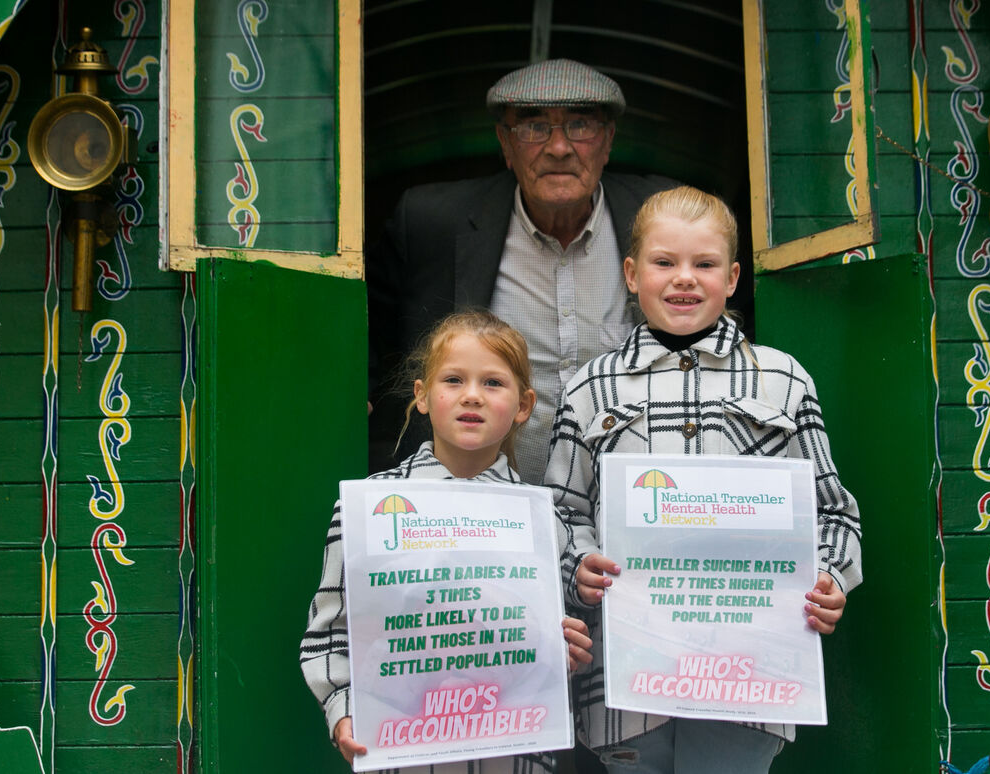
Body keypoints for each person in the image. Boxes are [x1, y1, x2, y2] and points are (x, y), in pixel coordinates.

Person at [543, 187, 863, 773]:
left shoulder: (783, 381)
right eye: (665, 263)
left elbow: (834, 512)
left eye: (705, 264)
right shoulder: (591, 388)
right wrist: (578, 565)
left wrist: (829, 579)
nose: (684, 279)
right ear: (632, 274)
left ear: (734, 276)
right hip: (627, 681)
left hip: (748, 679)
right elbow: (563, 514)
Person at [367, 58, 723, 484]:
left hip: (637, 505)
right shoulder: (431, 222)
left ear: (608, 140)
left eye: (580, 125)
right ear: (505, 142)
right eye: (535, 127)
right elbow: (375, 353)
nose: (558, 147)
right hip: (481, 511)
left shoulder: (665, 215)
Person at [301, 309, 593, 774]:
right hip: (405, 753)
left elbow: (561, 634)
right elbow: (329, 634)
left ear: (523, 405)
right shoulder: (368, 512)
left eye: (493, 383)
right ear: (423, 396)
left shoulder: (545, 520)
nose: (472, 396)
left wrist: (566, 647)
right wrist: (343, 708)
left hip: (515, 755)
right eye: (453, 380)